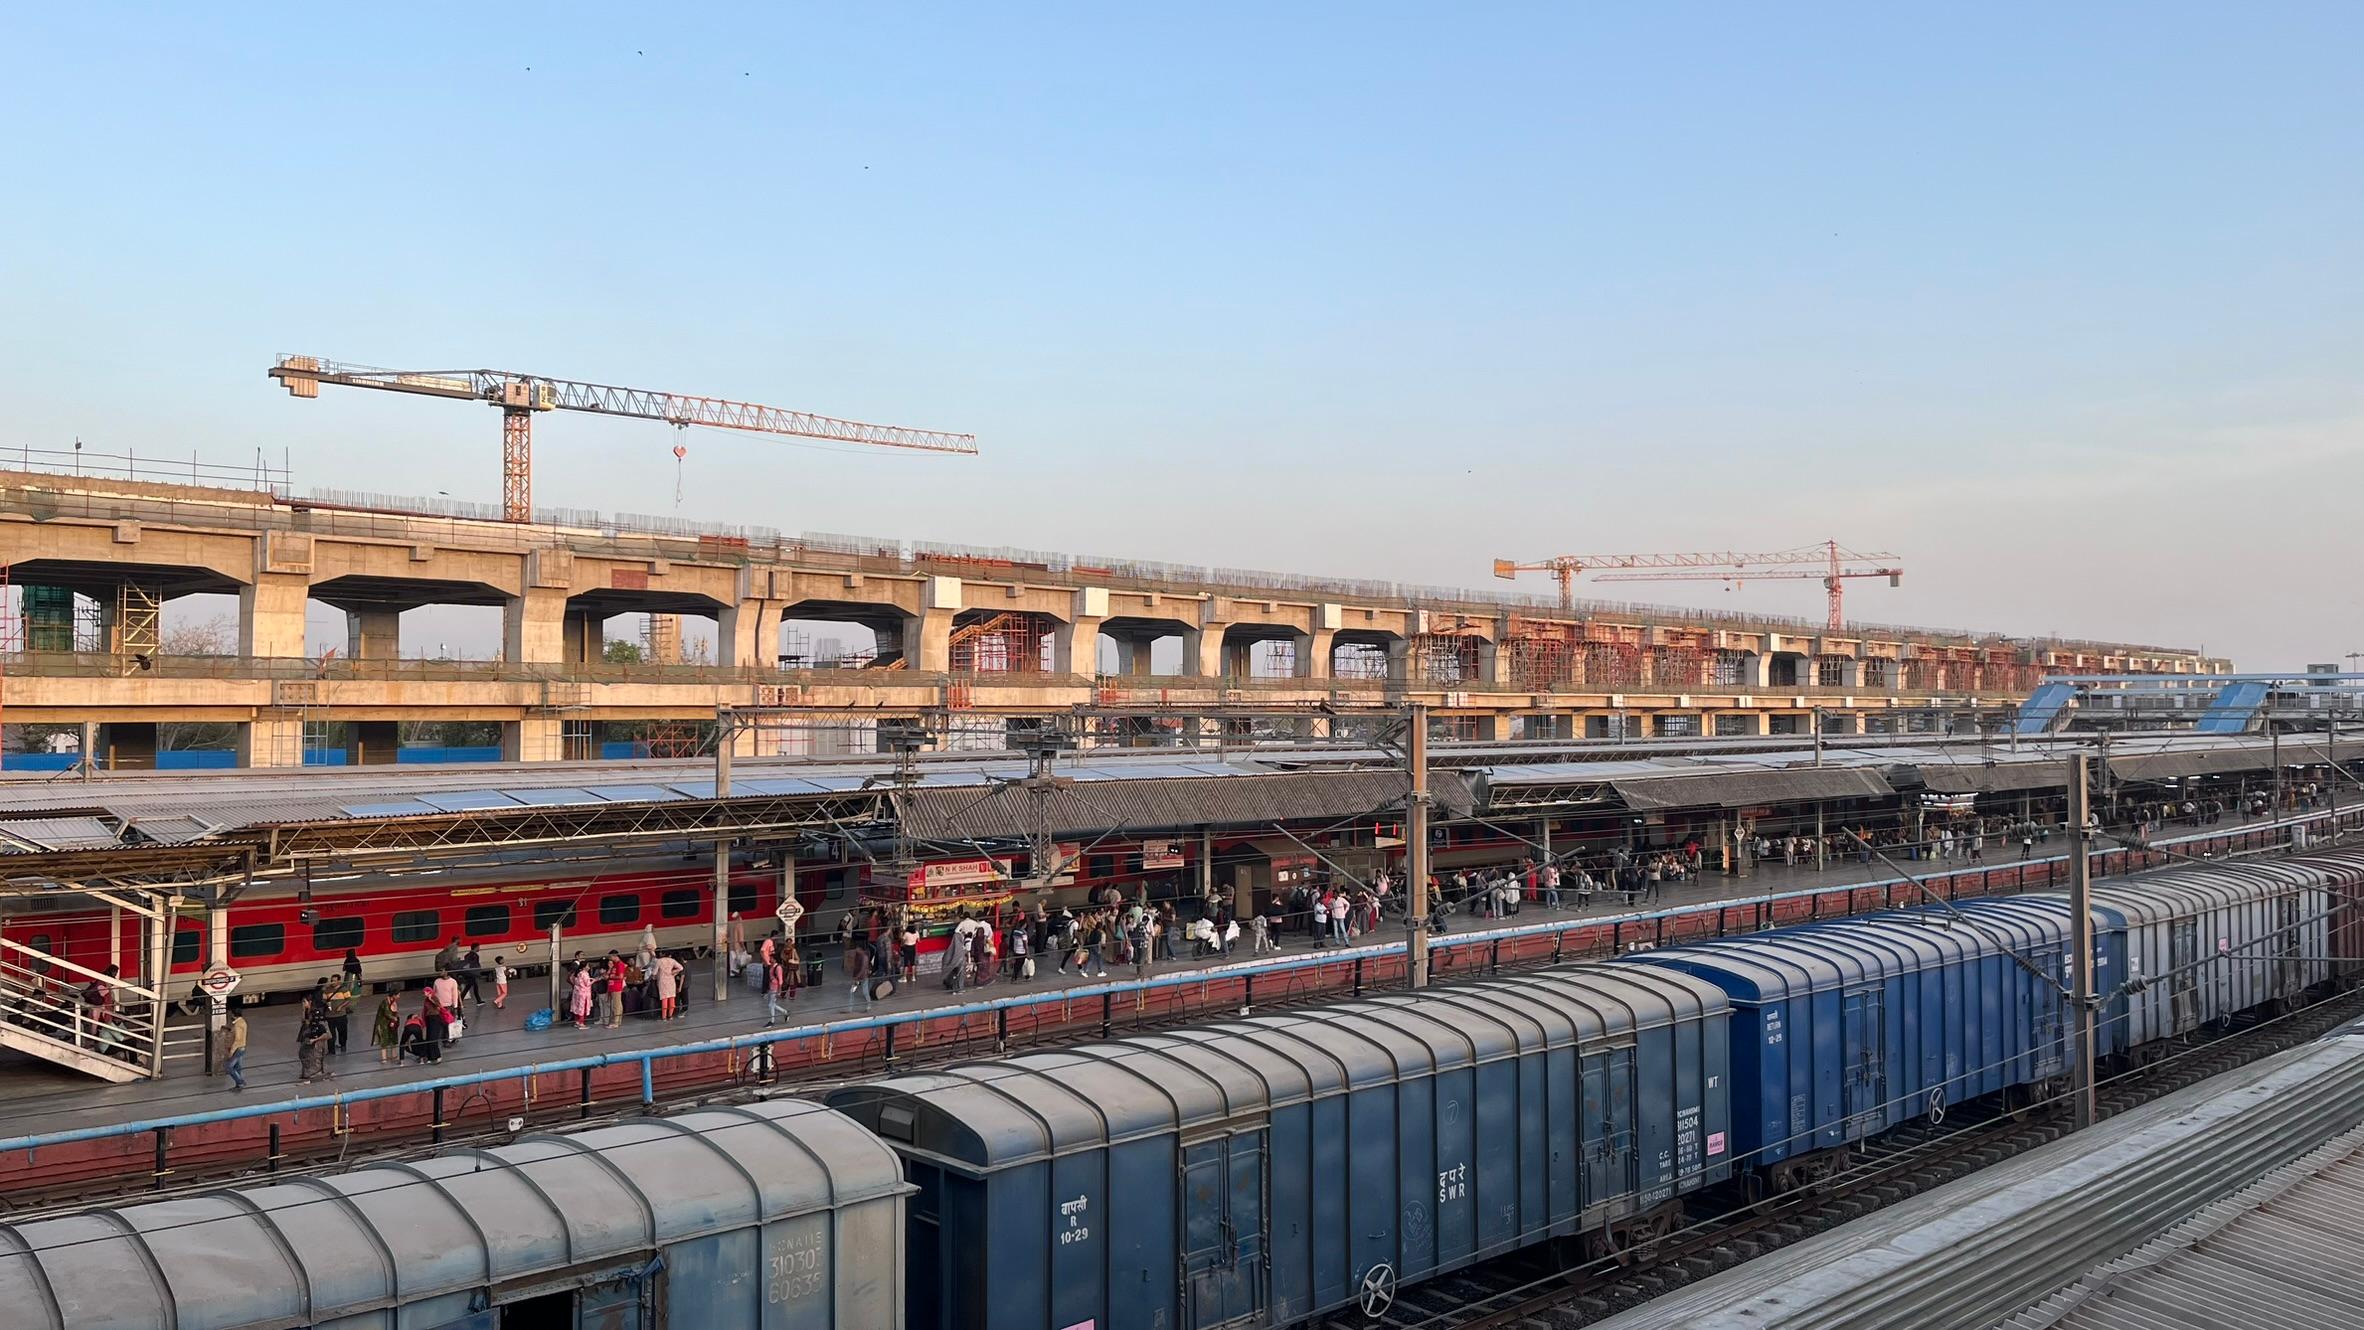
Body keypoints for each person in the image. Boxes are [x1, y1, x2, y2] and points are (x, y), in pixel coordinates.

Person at [296, 998, 333, 1084]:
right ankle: (307, 1073)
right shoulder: (307, 1012)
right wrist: (304, 1010)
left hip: (315, 1040)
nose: (303, 1004)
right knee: (303, 1055)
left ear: (310, 1002)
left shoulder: (316, 1014)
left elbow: (326, 1033)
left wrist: (315, 1040)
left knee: (313, 1057)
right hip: (307, 1038)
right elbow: (304, 1021)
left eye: (304, 1002)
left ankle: (315, 1074)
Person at [325, 974, 355, 1054]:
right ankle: (331, 1050)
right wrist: (328, 1006)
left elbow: (348, 1000)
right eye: (332, 980)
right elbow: (324, 1000)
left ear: (339, 981)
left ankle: (343, 1045)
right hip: (330, 1015)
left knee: (342, 1031)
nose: (333, 982)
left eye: (334, 980)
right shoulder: (327, 990)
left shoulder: (344, 989)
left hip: (341, 1015)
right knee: (331, 1033)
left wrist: (341, 1007)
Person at [222, 1004, 249, 1091]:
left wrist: (231, 1051)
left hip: (238, 1049)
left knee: (228, 1067)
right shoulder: (242, 1022)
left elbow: (237, 1039)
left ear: (233, 1015)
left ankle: (240, 1081)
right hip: (242, 1047)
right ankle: (239, 1085)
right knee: (238, 1067)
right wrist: (228, 1029)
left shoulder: (237, 1025)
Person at [372, 987, 401, 1065]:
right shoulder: (385, 1002)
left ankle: (394, 1056)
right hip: (383, 1024)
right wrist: (394, 1018)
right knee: (384, 1041)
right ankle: (384, 1058)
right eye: (398, 995)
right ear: (393, 995)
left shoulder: (393, 1002)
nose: (399, 996)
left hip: (391, 1024)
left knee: (393, 1039)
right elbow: (387, 1013)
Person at [654, 952, 685, 1020]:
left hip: (662, 981)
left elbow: (654, 972)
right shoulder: (672, 961)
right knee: (672, 998)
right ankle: (670, 1015)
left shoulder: (659, 961)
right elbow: (681, 968)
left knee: (664, 999)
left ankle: (664, 1017)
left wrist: (654, 977)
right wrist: (673, 972)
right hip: (671, 981)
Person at [845, 935, 874, 1008]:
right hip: (859, 977)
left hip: (862, 977)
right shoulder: (858, 955)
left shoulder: (864, 957)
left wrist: (856, 977)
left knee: (864, 992)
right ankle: (851, 1007)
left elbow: (862, 969)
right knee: (855, 991)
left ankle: (868, 1006)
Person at [568, 963, 594, 1030]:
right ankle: (581, 1023)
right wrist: (594, 980)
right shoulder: (584, 974)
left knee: (576, 1007)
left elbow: (571, 979)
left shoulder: (577, 973)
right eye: (587, 966)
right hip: (584, 993)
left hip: (577, 992)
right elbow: (587, 983)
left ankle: (577, 1022)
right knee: (583, 1008)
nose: (589, 967)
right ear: (584, 967)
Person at [605, 955, 627, 1028]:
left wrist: (611, 977)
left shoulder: (620, 964)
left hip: (616, 987)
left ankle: (616, 1022)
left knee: (616, 1005)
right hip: (612, 986)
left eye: (610, 957)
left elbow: (620, 976)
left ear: (615, 956)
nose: (610, 959)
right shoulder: (615, 964)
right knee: (618, 1004)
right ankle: (618, 1020)